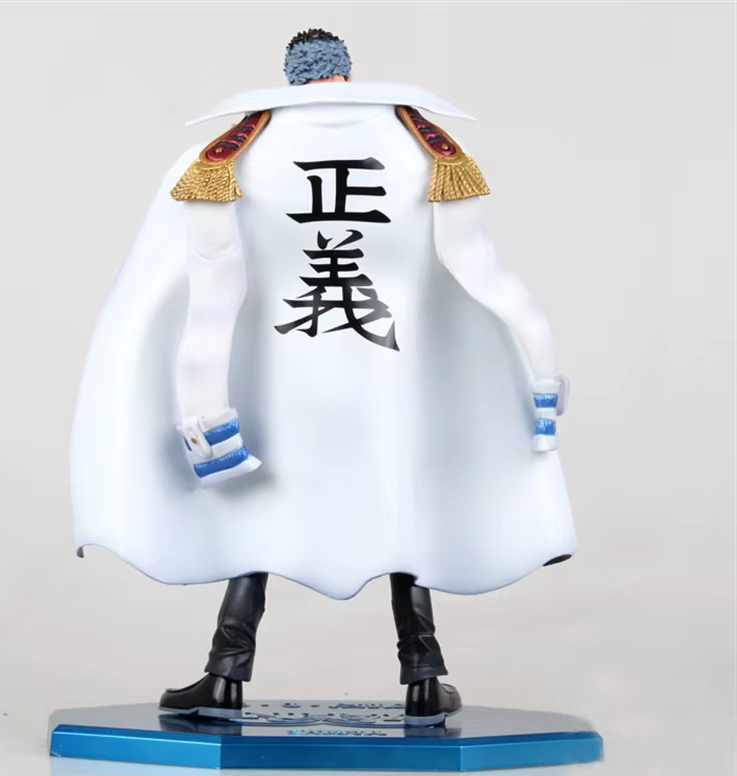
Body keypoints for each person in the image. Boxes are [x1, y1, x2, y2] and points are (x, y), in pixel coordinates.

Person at [70, 28, 575, 726]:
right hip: (392, 379)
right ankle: (424, 676)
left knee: (257, 513)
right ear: (346, 72)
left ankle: (225, 675)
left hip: (282, 380)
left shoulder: (225, 156)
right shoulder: (431, 150)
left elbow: (209, 297)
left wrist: (205, 413)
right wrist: (542, 376)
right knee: (402, 509)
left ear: (293, 76)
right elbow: (486, 277)